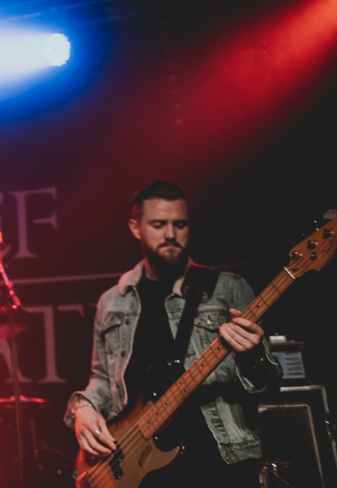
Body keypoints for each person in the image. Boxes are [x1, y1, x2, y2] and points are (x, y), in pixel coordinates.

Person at [64, 181, 281, 487]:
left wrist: (253, 355)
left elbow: (269, 384)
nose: (170, 234)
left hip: (220, 462)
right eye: (158, 224)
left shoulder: (228, 288)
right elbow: (102, 378)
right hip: (142, 468)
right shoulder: (112, 300)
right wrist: (82, 409)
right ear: (135, 228)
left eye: (179, 224)